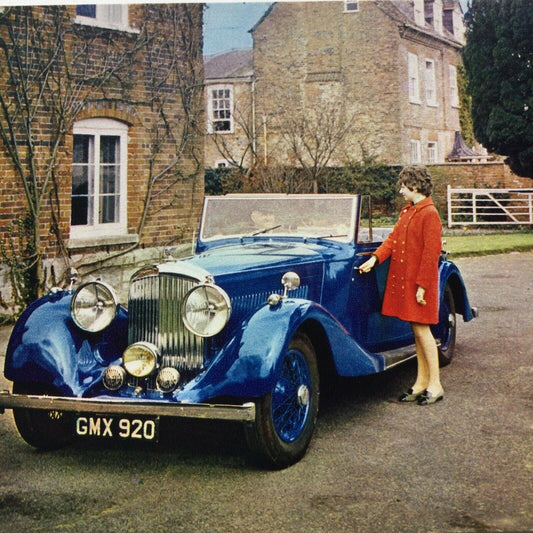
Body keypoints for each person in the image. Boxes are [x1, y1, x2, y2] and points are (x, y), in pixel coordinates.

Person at [359, 166, 444, 405]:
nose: (400, 191)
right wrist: (375, 259)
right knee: (416, 332)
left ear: (415, 187)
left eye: (404, 187)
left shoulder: (429, 214)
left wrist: (422, 286)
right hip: (408, 283)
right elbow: (393, 240)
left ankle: (435, 384)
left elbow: (431, 254)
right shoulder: (408, 212)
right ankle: (421, 382)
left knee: (423, 331)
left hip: (420, 285)